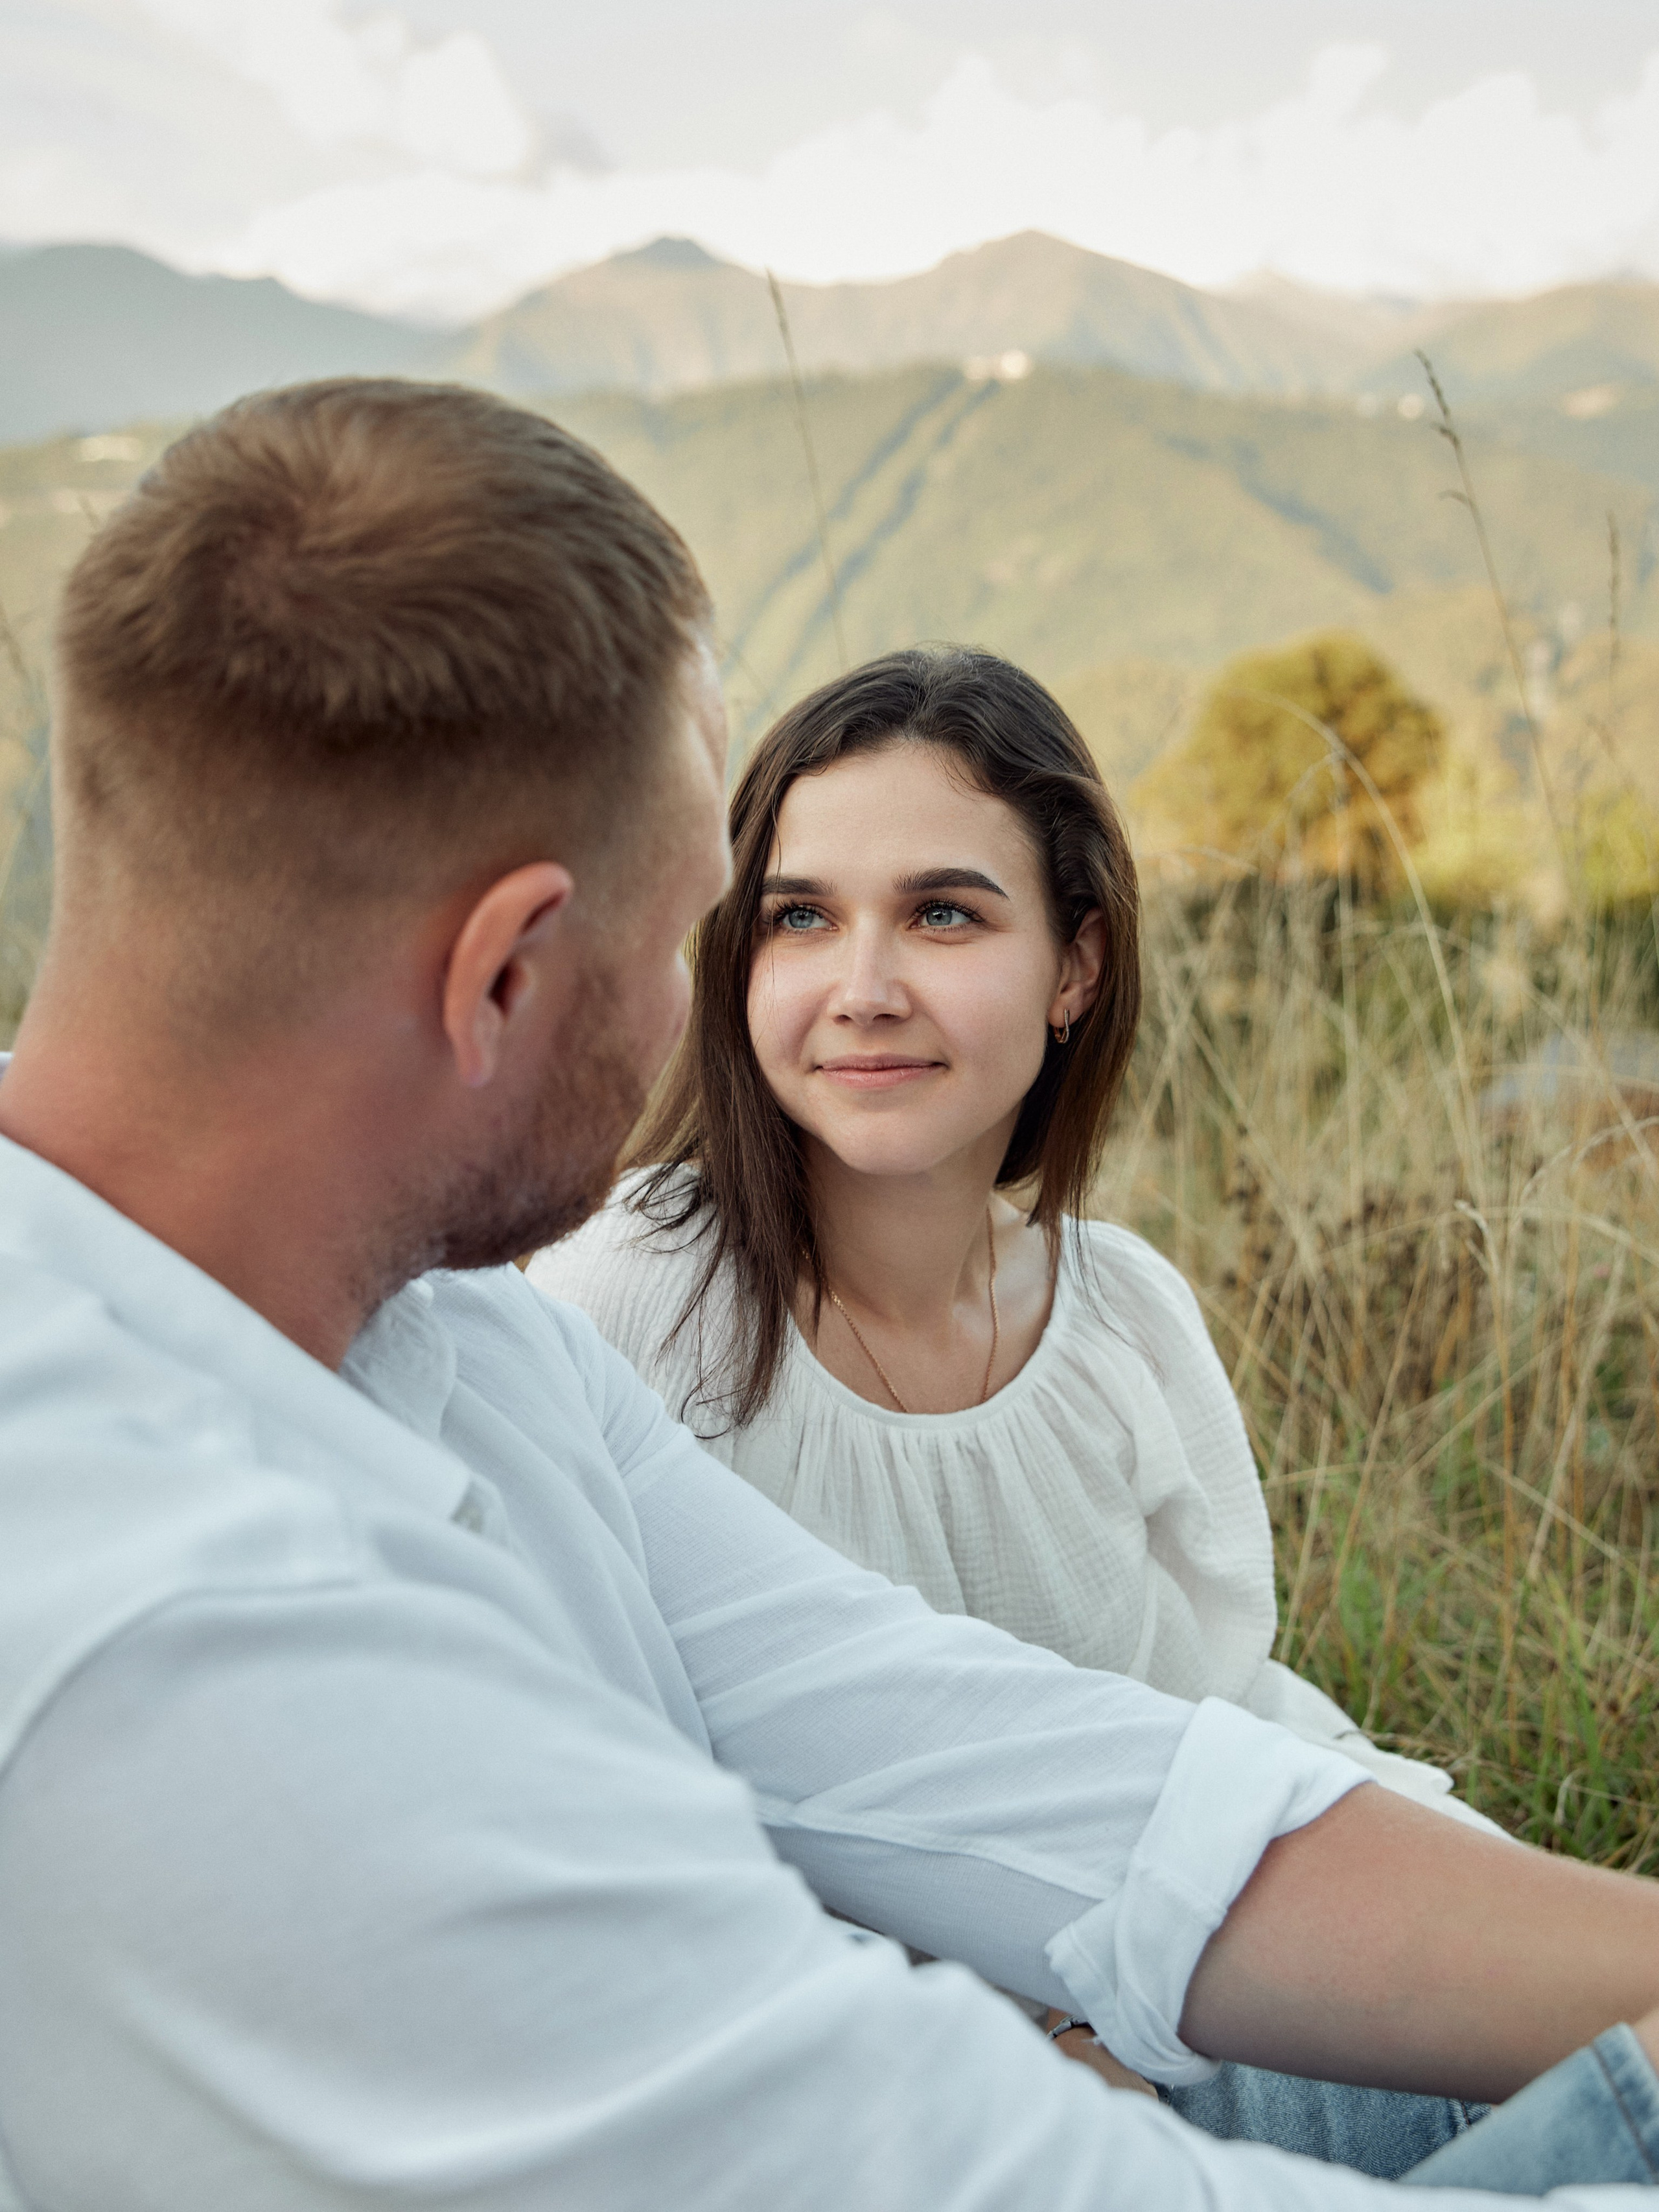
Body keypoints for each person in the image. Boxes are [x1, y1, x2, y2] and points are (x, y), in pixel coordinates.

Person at [1, 379, 1658, 2212]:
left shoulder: (447, 1333)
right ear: (505, 974)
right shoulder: (178, 1654)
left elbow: (972, 1751)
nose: (777, 997)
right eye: (723, 916)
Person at [529, 646, 1483, 1832]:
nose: (864, 987)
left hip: (1159, 1962)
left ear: (1074, 966)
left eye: (941, 913)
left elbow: (1216, 1713)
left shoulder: (1122, 1318)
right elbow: (567, 1769)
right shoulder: (636, 1294)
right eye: (802, 917)